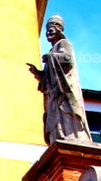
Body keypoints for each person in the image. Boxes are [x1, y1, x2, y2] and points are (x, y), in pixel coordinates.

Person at [28, 15, 92, 145]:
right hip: (54, 94)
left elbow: (68, 59)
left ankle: (70, 136)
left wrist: (51, 57)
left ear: (59, 30)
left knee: (65, 114)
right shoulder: (53, 49)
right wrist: (38, 73)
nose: (48, 33)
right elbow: (47, 78)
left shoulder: (64, 43)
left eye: (51, 29)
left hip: (64, 90)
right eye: (47, 31)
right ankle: (59, 137)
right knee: (54, 118)